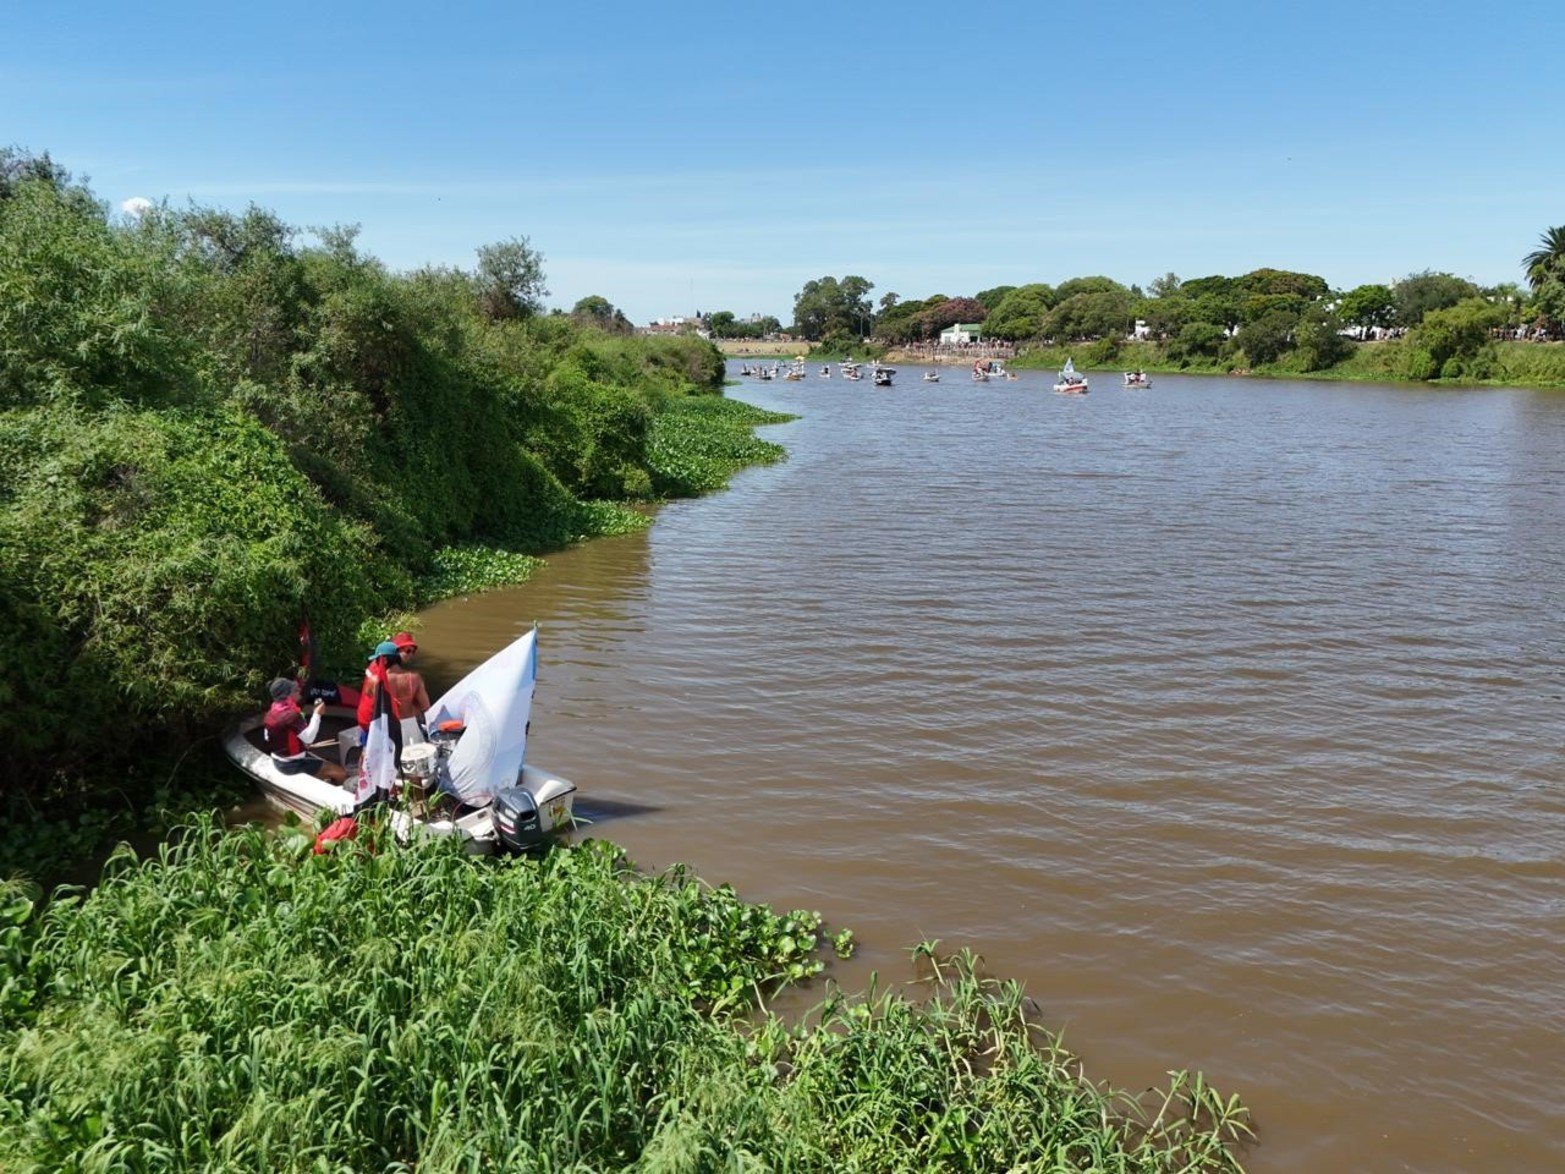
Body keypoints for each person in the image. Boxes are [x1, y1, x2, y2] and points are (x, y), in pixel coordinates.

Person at [263, 678, 348, 783]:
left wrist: (300, 745)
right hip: (292, 764)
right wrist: (317, 714)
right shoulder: (290, 715)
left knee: (324, 767)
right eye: (295, 690)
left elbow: (272, 736)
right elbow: (309, 739)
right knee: (341, 773)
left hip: (278, 759)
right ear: (288, 695)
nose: (299, 691)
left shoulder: (273, 710)